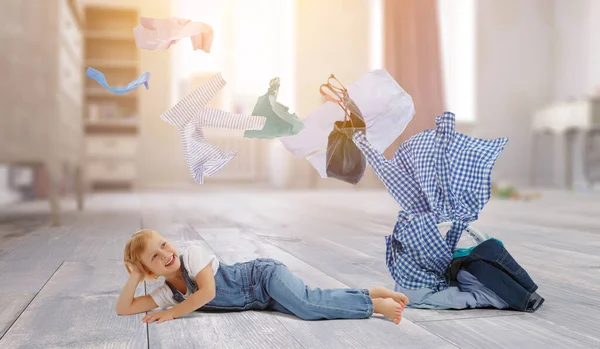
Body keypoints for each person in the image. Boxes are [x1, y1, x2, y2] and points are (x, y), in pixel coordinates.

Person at [116, 229, 409, 324]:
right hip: (261, 300)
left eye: (164, 245)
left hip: (263, 277)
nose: (166, 254)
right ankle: (372, 292)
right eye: (155, 257)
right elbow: (125, 308)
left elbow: (207, 293)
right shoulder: (168, 292)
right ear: (151, 270)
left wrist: (171, 315)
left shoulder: (192, 255)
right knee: (315, 299)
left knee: (307, 307)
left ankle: (374, 306)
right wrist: (136, 276)